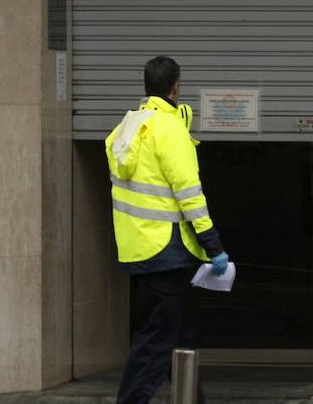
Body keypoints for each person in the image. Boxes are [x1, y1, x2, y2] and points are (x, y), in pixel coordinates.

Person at [105, 56, 228, 404]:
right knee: (157, 342)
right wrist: (214, 246)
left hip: (141, 250)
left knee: (177, 339)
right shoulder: (170, 130)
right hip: (168, 252)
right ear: (176, 87)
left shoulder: (125, 129)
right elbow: (189, 194)